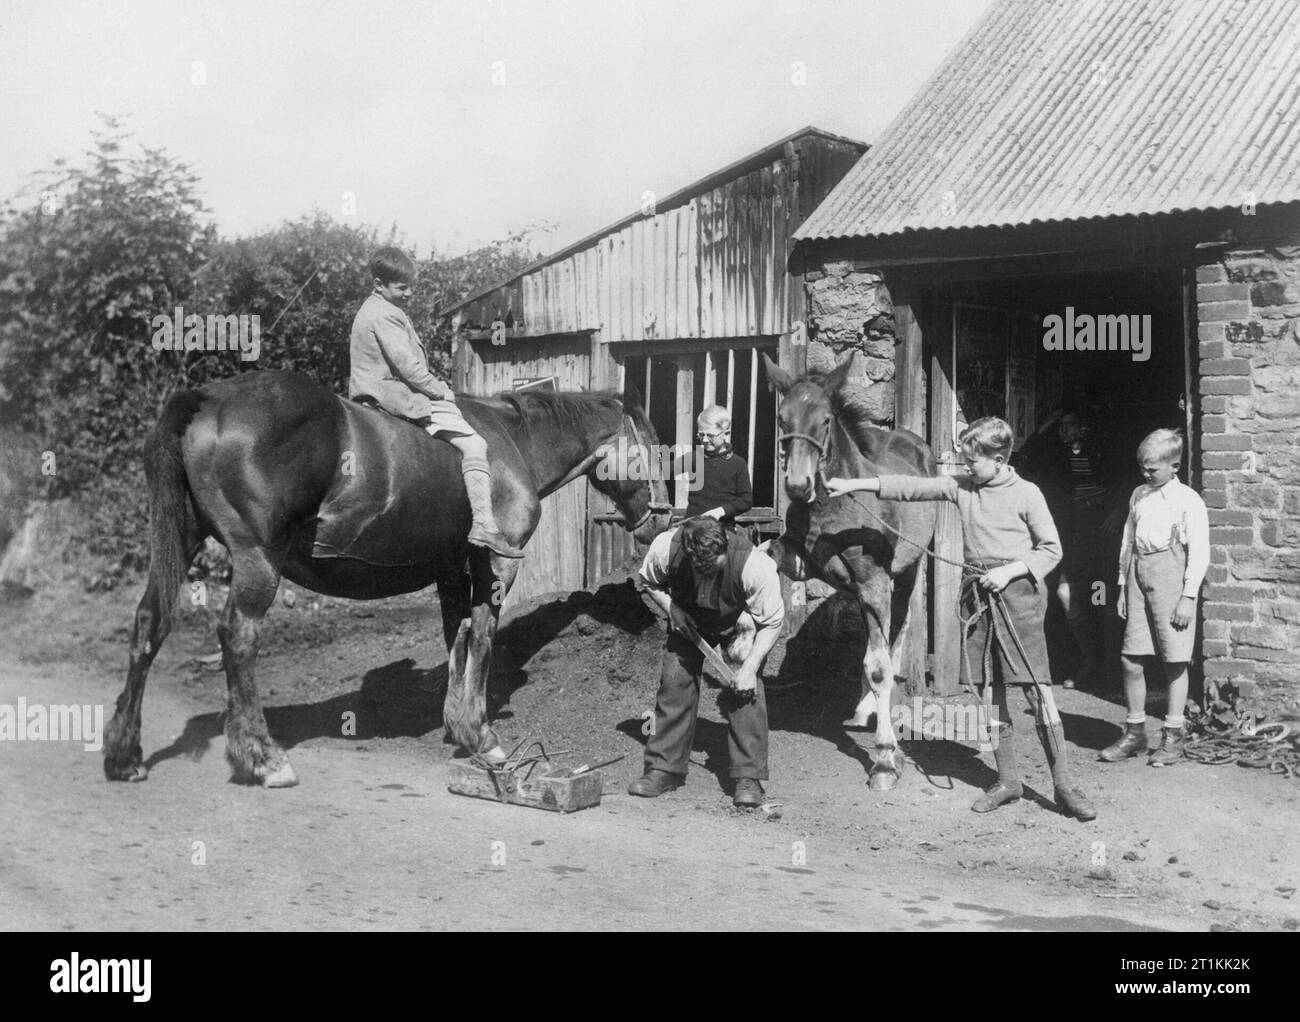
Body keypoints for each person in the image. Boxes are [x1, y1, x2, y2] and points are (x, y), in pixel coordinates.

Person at [827, 416, 1097, 821]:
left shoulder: (1027, 493)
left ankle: (1064, 786)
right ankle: (1008, 780)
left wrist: (1009, 571)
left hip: (1018, 596)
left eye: (973, 462)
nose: (965, 468)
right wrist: (853, 485)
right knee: (991, 691)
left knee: (1037, 691)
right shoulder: (962, 487)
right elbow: (912, 487)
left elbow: (1051, 549)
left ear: (1000, 459)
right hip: (977, 595)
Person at [348, 247, 523, 558]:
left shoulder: (370, 309)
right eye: (402, 288)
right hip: (392, 396)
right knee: (475, 445)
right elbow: (408, 368)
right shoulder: (385, 314)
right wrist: (441, 390)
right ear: (378, 284)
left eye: (410, 285)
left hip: (372, 392)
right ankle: (484, 524)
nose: (410, 293)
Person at [631, 516, 784, 807]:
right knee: (674, 682)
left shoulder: (753, 565)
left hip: (737, 618)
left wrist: (750, 668)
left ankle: (748, 775)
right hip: (687, 617)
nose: (708, 577)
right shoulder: (666, 548)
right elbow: (648, 581)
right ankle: (665, 768)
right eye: (701, 571)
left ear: (725, 548)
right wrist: (672, 608)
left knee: (744, 686)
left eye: (716, 569)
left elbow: (773, 622)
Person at [1102, 429, 1208, 767]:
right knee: (1130, 658)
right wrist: (1121, 586)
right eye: (1142, 468)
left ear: (1174, 466)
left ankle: (1173, 734)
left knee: (1174, 660)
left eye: (1152, 469)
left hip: (1171, 579)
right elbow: (1127, 543)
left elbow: (1200, 552)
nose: (1145, 475)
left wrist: (1188, 597)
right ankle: (1135, 732)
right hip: (1138, 575)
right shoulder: (1139, 495)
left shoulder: (1187, 500)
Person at [1017, 407, 1124, 688]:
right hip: (1074, 533)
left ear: (1084, 427)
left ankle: (1109, 669)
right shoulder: (1056, 454)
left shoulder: (1102, 450)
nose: (1064, 431)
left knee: (1103, 600)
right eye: (1060, 426)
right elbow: (1022, 459)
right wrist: (1044, 428)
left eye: (1070, 424)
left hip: (1102, 535)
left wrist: (1117, 510)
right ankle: (1089, 661)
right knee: (1066, 595)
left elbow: (1126, 482)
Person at [684, 405, 753, 525]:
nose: (704, 440)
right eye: (701, 435)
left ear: (726, 433)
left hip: (722, 527)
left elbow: (746, 501)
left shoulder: (738, 464)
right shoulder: (694, 457)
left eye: (710, 435)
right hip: (691, 526)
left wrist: (722, 511)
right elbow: (664, 470)